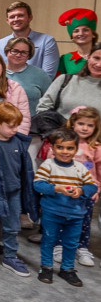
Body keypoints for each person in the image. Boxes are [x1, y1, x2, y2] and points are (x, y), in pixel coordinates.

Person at [0, 102, 36, 277]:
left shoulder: (19, 142)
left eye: (17, 125)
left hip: (14, 192)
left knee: (12, 226)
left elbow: (26, 170)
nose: (15, 129)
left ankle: (10, 256)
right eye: (11, 126)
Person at [35, 128, 98, 287]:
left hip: (76, 214)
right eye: (60, 147)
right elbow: (38, 184)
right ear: (52, 148)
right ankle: (46, 267)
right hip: (52, 212)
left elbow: (92, 187)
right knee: (49, 240)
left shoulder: (80, 168)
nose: (65, 151)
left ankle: (68, 269)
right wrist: (56, 188)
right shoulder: (48, 165)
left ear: (76, 149)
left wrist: (81, 191)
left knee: (71, 243)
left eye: (69, 148)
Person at [49, 107, 101, 267]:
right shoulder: (62, 143)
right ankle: (58, 247)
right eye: (81, 123)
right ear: (73, 124)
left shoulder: (96, 147)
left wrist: (97, 189)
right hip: (63, 191)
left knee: (84, 222)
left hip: (86, 192)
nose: (85, 128)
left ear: (96, 128)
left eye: (90, 125)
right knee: (61, 220)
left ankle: (82, 248)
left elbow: (99, 170)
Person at [0, 1, 60, 77]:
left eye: (20, 15)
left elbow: (48, 76)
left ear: (30, 17)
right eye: (12, 17)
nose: (16, 19)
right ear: (7, 21)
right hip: (5, 87)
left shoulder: (47, 41)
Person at [36, 43, 101, 119]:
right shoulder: (65, 80)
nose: (99, 64)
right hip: (57, 129)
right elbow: (43, 108)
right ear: (88, 58)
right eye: (96, 58)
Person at [4, 37, 51, 118]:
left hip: (33, 125)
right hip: (0, 124)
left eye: (24, 52)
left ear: (29, 56)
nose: (18, 55)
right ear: (7, 51)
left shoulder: (40, 75)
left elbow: (50, 101)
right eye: (15, 51)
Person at [57, 8, 98, 76]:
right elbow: (58, 83)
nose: (81, 34)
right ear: (72, 37)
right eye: (76, 31)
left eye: (85, 30)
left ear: (93, 34)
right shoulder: (65, 59)